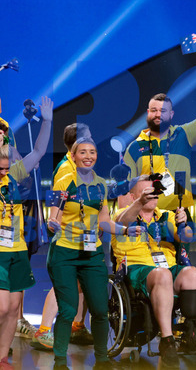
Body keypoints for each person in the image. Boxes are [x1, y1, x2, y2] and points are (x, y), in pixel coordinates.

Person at [47, 137, 124, 368]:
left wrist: (126, 229)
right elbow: (54, 214)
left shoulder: (101, 184)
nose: (88, 156)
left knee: (100, 309)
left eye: (92, 152)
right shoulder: (63, 181)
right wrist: (53, 223)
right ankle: (60, 361)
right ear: (73, 156)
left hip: (92, 255)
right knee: (68, 310)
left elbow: (104, 221)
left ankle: (102, 359)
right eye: (83, 152)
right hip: (65, 253)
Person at [113, 175, 196, 366]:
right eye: (146, 192)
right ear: (133, 196)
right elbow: (122, 223)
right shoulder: (122, 214)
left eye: (154, 192)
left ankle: (189, 331)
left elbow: (188, 238)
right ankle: (167, 340)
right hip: (138, 270)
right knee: (163, 274)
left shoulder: (166, 216)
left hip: (167, 267)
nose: (152, 195)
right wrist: (140, 203)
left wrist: (184, 223)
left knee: (192, 273)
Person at [121, 63, 196, 212]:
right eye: (154, 110)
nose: (158, 114)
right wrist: (126, 221)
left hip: (180, 213)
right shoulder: (134, 148)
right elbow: (126, 189)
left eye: (163, 111)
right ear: (148, 113)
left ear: (171, 114)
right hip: (149, 215)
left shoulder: (183, 134)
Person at [0, 97, 52, 369]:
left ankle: (2, 357)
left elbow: (39, 151)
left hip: (17, 249)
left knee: (12, 309)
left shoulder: (14, 174)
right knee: (1, 307)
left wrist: (47, 120)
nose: (4, 171)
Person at [32, 123, 94, 350]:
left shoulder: (80, 165)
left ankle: (77, 326)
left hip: (84, 235)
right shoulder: (65, 169)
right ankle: (44, 330)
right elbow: (56, 203)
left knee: (81, 282)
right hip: (69, 237)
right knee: (64, 284)